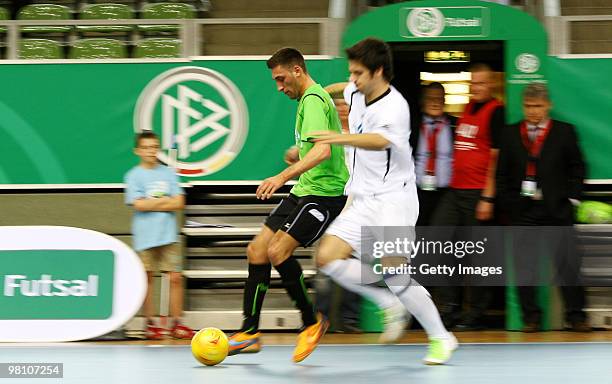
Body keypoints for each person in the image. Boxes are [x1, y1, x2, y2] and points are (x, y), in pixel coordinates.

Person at [313, 37, 457, 365]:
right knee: (328, 258)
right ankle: (388, 303)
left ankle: (441, 338)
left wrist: (340, 136)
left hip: (395, 200)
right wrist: (319, 92)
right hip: (364, 199)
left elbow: (379, 141)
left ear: (378, 71)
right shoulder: (356, 90)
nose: (353, 79)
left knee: (396, 274)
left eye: (358, 73)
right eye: (351, 73)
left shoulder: (396, 106)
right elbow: (342, 88)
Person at [228, 47, 349, 363]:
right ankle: (250, 333)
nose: (279, 87)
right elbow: (314, 145)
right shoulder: (311, 101)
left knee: (278, 252)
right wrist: (297, 152)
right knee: (257, 250)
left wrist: (282, 175)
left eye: (281, 79)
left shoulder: (312, 99)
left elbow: (323, 152)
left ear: (297, 70)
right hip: (304, 189)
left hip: (324, 194)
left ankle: (312, 322)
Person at [496, 82, 590, 332]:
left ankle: (577, 316)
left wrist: (572, 199)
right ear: (522, 106)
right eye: (528, 106)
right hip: (523, 210)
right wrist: (510, 203)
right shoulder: (509, 133)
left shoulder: (564, 132)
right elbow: (501, 174)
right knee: (525, 266)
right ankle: (531, 318)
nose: (533, 111)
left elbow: (578, 167)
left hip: (556, 208)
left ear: (548, 105)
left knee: (567, 264)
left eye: (538, 106)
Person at [431, 63, 505, 330]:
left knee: (476, 255)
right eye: (474, 83)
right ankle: (449, 308)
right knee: (438, 243)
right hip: (455, 190)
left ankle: (475, 313)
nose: (477, 88)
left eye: (482, 83)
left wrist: (488, 196)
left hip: (477, 192)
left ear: (492, 85)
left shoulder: (496, 111)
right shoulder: (466, 110)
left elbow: (496, 157)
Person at [124, 131, 194, 340]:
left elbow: (179, 202)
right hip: (145, 236)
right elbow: (138, 204)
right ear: (138, 150)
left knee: (175, 278)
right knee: (147, 280)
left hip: (168, 235)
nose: (150, 151)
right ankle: (150, 324)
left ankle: (177, 324)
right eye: (145, 147)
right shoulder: (133, 176)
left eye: (154, 147)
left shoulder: (169, 174)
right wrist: (165, 203)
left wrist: (151, 203)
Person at [411, 82, 456, 226]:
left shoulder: (455, 125)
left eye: (439, 99)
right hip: (417, 192)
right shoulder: (412, 125)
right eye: (431, 98)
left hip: (446, 194)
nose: (435, 103)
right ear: (423, 101)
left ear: (445, 101)